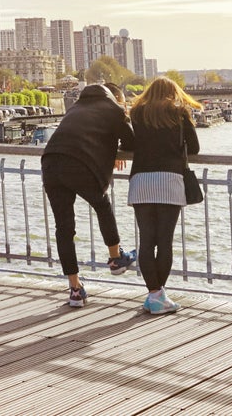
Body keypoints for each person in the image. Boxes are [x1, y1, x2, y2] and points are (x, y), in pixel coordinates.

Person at [41, 83, 136, 308]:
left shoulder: (75, 108)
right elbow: (132, 142)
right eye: (121, 101)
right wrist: (116, 149)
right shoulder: (114, 110)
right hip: (79, 164)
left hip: (51, 162)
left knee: (64, 228)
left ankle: (75, 290)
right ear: (115, 97)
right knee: (102, 206)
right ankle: (116, 258)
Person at [126, 77, 201, 315]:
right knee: (165, 241)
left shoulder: (137, 113)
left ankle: (154, 295)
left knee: (147, 241)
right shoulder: (180, 113)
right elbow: (195, 147)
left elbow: (130, 143)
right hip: (169, 179)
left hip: (141, 180)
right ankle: (158, 297)